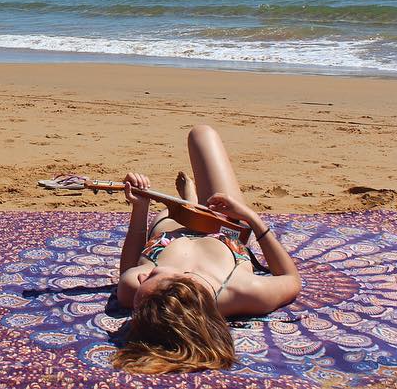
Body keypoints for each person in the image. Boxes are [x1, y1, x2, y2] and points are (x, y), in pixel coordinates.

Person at [112, 124, 301, 373]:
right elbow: (291, 278)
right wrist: (251, 218)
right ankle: (191, 200)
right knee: (202, 134)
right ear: (184, 283)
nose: (140, 277)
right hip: (223, 222)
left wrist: (140, 207)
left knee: (177, 203)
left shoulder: (136, 292)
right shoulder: (242, 291)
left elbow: (128, 271)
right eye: (149, 278)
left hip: (171, 221)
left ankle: (188, 200)